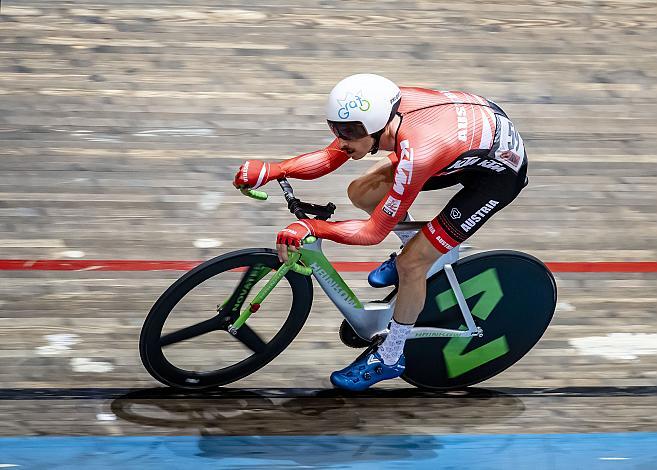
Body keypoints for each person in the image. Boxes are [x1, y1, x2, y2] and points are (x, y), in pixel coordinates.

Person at [233, 74, 528, 391]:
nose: (341, 138)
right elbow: (333, 155)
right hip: (464, 143)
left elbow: (372, 233)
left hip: (496, 176)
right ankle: (415, 249)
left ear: (376, 127)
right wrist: (275, 169)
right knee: (363, 192)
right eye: (336, 128)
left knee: (412, 264)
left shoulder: (418, 153)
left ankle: (389, 356)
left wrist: (314, 226)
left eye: (347, 132)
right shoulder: (375, 115)